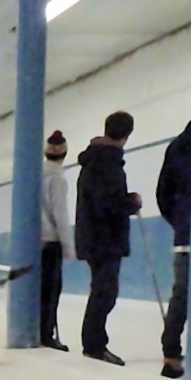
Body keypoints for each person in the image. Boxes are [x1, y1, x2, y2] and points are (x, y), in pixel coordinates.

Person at [75, 111, 142, 365]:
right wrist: (131, 202)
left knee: (101, 290)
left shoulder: (93, 160)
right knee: (105, 291)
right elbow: (108, 203)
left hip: (93, 237)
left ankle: (94, 342)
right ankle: (94, 344)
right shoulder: (108, 162)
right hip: (105, 238)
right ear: (127, 134)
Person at [156, 119, 191, 379]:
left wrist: (180, 220)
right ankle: (171, 352)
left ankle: (171, 354)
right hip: (186, 232)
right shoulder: (180, 148)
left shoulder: (177, 147)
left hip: (185, 233)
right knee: (182, 294)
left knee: (181, 294)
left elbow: (163, 194)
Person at [40, 130, 74, 350]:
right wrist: (68, 245)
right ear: (64, 153)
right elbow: (59, 214)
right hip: (50, 241)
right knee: (51, 290)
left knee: (37, 289)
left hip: (31, 240)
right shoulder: (57, 178)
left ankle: (36, 328)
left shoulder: (34, 174)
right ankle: (46, 333)